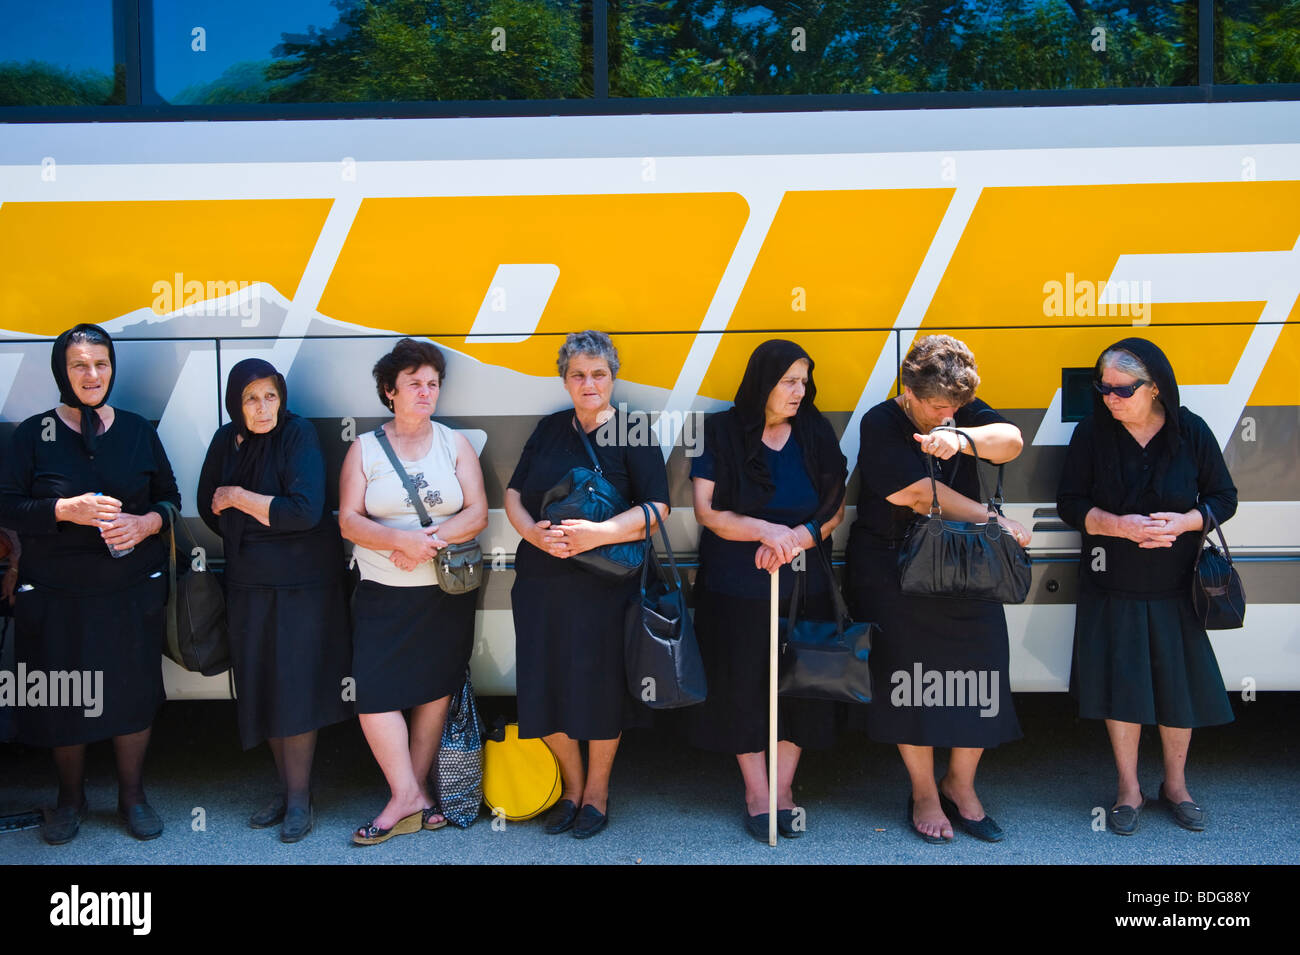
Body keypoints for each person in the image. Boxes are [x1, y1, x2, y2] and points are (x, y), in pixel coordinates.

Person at [844, 334, 1029, 844]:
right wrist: (993, 518)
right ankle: (924, 791)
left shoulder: (958, 411)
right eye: (935, 406)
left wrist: (964, 438)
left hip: (962, 564)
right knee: (909, 680)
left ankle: (961, 786)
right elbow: (916, 493)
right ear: (909, 390)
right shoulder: (881, 421)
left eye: (955, 406)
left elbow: (1011, 441)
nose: (944, 413)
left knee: (985, 670)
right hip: (892, 565)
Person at [0, 323, 179, 844]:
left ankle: (132, 797)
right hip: (57, 595)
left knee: (131, 696)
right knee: (63, 701)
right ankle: (69, 800)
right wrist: (65, 510)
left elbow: (170, 500)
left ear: (112, 368)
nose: (92, 374)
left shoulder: (138, 430)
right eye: (80, 365)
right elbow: (7, 505)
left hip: (127, 592)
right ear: (63, 371)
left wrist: (146, 523)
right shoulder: (34, 434)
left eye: (100, 363)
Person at [1057, 338, 1236, 835]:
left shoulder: (1190, 431)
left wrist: (1185, 522)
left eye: (1122, 389)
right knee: (1123, 688)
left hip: (1178, 585)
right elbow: (1070, 502)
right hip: (1111, 583)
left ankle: (1175, 786)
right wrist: (1118, 526)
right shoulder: (1093, 434)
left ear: (1155, 387)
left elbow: (1225, 497)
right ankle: (1128, 789)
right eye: (1104, 388)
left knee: (1178, 692)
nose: (1110, 398)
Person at [504, 330, 669, 840]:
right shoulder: (550, 428)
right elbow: (514, 493)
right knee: (543, 686)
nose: (589, 382)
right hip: (542, 581)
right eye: (578, 374)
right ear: (565, 380)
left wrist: (598, 533)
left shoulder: (634, 430)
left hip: (604, 586)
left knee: (598, 692)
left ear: (613, 378)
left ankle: (597, 793)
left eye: (599, 373)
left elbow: (658, 508)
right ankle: (572, 789)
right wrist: (530, 532)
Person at [688, 339, 848, 840]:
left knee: (803, 683)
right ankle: (757, 792)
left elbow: (834, 505)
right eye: (789, 382)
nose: (800, 391)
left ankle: (783, 790)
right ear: (764, 383)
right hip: (737, 585)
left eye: (804, 380)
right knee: (743, 685)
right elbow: (707, 511)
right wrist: (766, 532)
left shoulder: (815, 430)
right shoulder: (722, 430)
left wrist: (797, 538)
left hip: (806, 580)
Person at [338, 338, 488, 845]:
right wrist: (399, 541)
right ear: (389, 391)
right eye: (414, 384)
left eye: (432, 384)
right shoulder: (364, 449)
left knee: (433, 692)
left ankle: (413, 795)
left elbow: (478, 513)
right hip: (382, 590)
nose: (426, 393)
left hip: (445, 593)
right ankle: (407, 796)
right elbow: (348, 520)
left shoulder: (455, 444)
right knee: (373, 694)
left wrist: (425, 544)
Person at [197, 358, 352, 843]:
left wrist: (242, 499)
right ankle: (286, 792)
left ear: (282, 397)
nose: (262, 408)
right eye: (250, 398)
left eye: (269, 396)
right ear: (234, 404)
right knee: (262, 685)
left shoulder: (298, 434)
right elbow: (206, 502)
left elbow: (304, 511)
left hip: (302, 586)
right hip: (249, 583)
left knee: (295, 690)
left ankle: (301, 800)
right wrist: (262, 514)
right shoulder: (227, 440)